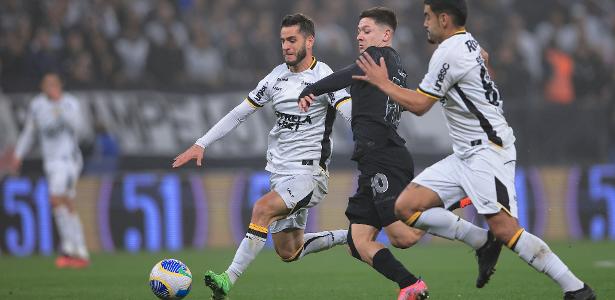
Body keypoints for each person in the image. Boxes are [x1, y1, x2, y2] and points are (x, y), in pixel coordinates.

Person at [352, 1, 596, 299]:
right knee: (405, 207)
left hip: (488, 152)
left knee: (506, 229)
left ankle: (576, 288)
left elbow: (419, 105)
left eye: (428, 17)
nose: (424, 23)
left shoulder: (448, 52)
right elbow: (481, 56)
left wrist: (381, 82)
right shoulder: (467, 41)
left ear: (444, 19)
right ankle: (481, 241)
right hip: (465, 154)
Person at [298, 7, 501, 300]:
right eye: (358, 31)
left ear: (386, 34)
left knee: (402, 236)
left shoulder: (378, 58)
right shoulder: (395, 66)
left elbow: (344, 75)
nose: (359, 36)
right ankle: (410, 284)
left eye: (366, 31)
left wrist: (312, 89)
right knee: (358, 241)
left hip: (383, 156)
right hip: (374, 159)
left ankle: (450, 199)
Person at [172, 14, 351, 299]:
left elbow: (347, 110)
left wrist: (369, 142)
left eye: (292, 40)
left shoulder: (325, 77)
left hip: (309, 175)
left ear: (310, 40)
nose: (286, 46)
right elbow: (240, 113)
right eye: (283, 41)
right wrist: (201, 144)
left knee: (261, 210)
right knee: (289, 251)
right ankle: (349, 237)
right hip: (280, 175)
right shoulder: (276, 76)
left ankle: (226, 280)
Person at [9, 73, 90, 268]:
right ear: (41, 86)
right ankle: (79, 251)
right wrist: (18, 154)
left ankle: (70, 249)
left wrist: (59, 105)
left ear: (61, 84)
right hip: (51, 161)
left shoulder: (70, 102)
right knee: (66, 202)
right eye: (47, 83)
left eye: (54, 83)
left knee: (55, 199)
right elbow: (30, 131)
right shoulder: (37, 105)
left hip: (68, 160)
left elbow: (80, 128)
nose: (50, 87)